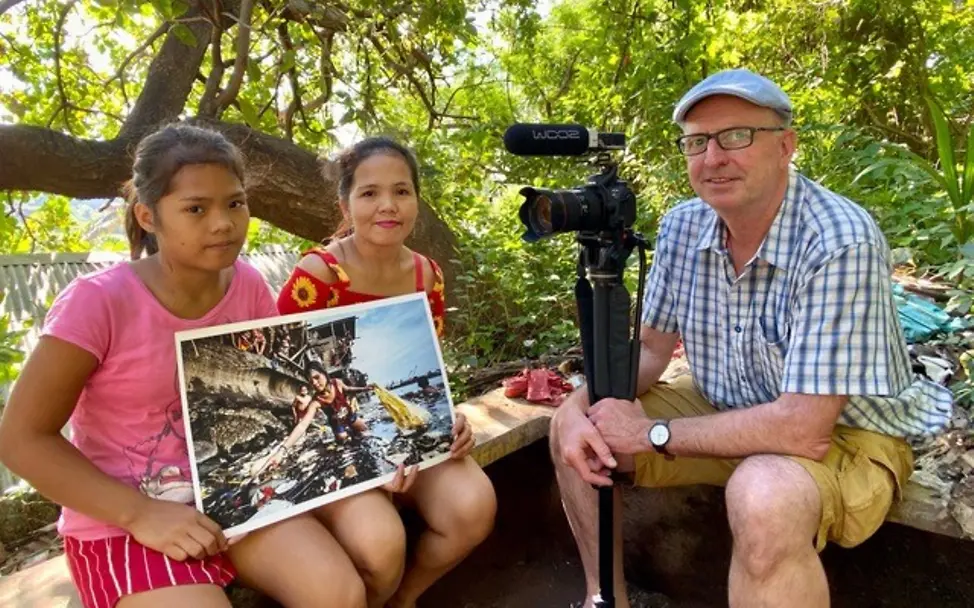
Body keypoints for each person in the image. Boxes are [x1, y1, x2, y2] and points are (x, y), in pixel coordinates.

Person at [548, 68, 954, 608]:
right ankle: (606, 600)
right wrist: (581, 403)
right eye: (697, 141)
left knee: (763, 495)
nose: (714, 156)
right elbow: (649, 353)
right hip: (726, 405)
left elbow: (804, 430)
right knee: (575, 429)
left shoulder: (839, 239)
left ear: (786, 145)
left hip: (846, 433)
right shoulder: (682, 227)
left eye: (737, 135)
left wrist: (654, 434)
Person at [0, 123, 370, 608]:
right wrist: (139, 515)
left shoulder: (249, 286)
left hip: (233, 496)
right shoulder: (98, 303)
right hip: (122, 525)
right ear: (148, 216)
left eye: (235, 203)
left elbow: (285, 394)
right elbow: (20, 438)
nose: (223, 223)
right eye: (196, 208)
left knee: (340, 592)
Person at [276, 136, 497, 608]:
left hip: (400, 429)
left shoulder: (426, 275)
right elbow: (288, 388)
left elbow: (429, 368)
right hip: (332, 441)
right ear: (345, 202)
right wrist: (368, 462)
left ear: (417, 199)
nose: (388, 205)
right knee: (383, 541)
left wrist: (448, 418)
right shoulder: (320, 276)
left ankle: (405, 599)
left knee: (474, 508)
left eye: (402, 191)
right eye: (370, 193)